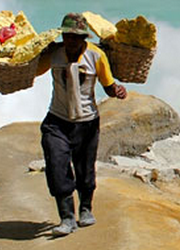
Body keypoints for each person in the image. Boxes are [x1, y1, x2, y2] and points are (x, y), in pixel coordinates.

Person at [35, 13, 127, 236]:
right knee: (57, 165)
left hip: (86, 122)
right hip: (57, 121)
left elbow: (108, 84)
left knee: (85, 169)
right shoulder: (54, 55)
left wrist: (117, 91)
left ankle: (85, 208)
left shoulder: (96, 56)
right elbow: (32, 71)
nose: (71, 41)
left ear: (84, 38)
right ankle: (67, 217)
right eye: (67, 36)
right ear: (63, 36)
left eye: (76, 37)